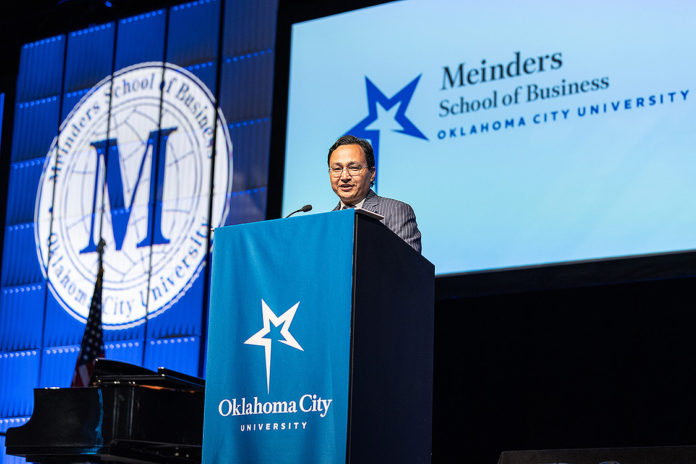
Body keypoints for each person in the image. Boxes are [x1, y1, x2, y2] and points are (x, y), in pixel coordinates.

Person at [328, 135, 422, 253]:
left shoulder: (396, 211)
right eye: (337, 169)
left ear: (372, 173)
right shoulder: (326, 223)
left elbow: (407, 265)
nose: (344, 176)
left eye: (354, 168)